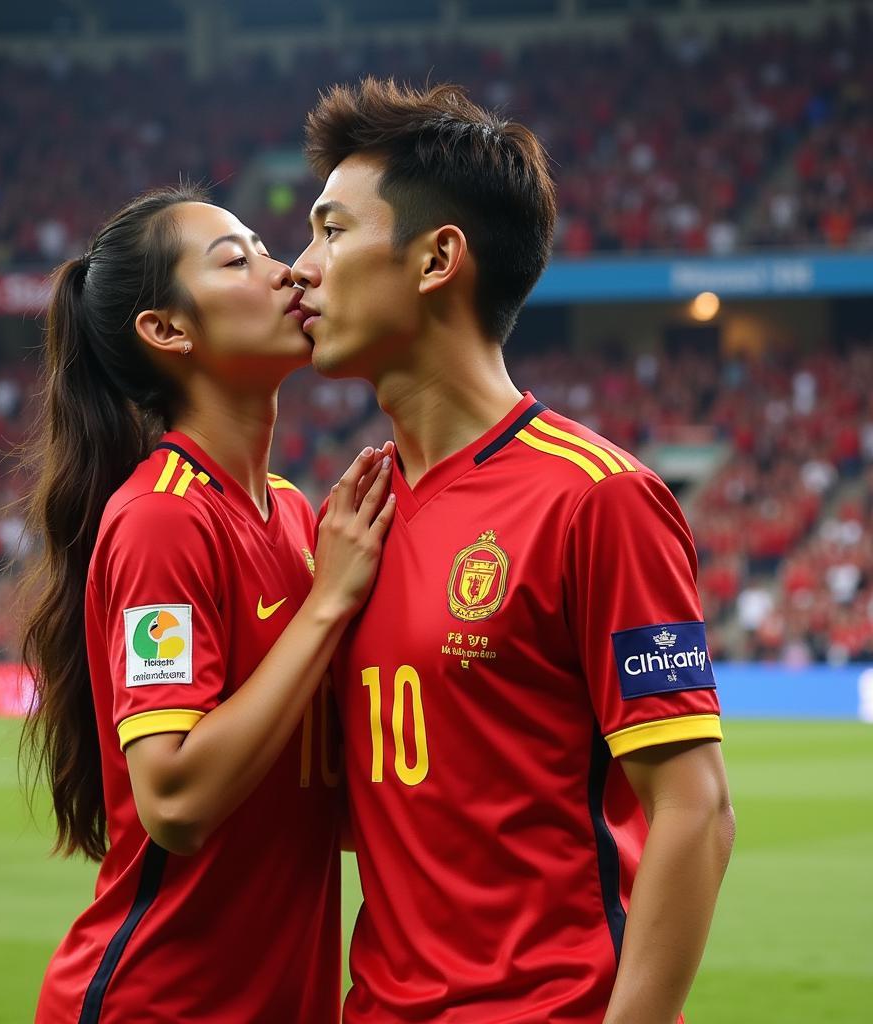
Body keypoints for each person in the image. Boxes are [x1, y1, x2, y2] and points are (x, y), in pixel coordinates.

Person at [292, 78, 736, 1024]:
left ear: (436, 258)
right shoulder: (355, 518)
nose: (300, 267)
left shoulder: (598, 499)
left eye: (331, 231)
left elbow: (694, 813)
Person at [20, 184, 395, 1023]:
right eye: (239, 259)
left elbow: (313, 799)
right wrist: (329, 603)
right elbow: (176, 801)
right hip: (163, 1003)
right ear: (167, 330)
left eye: (267, 248)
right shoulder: (164, 518)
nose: (286, 272)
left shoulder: (299, 516)